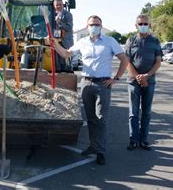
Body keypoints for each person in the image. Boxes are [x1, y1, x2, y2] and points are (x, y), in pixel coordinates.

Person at [51, 15, 128, 165]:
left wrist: (116, 78)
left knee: (101, 119)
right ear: (87, 27)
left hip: (102, 85)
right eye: (91, 24)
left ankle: (101, 151)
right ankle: (93, 146)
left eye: (97, 24)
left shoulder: (109, 41)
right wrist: (54, 44)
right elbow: (66, 54)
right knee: (91, 118)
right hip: (86, 83)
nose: (94, 27)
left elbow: (124, 60)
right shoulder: (83, 42)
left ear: (101, 25)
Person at [125, 14, 162, 151]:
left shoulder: (155, 41)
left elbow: (158, 62)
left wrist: (147, 76)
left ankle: (143, 139)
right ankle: (133, 139)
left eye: (145, 24)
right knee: (133, 113)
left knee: (146, 112)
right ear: (136, 26)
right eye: (140, 24)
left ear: (150, 25)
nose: (143, 26)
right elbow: (127, 61)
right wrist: (138, 78)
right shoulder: (131, 40)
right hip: (133, 82)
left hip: (150, 81)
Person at [53, 0, 74, 72]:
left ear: (63, 5)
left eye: (60, 4)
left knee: (65, 65)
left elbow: (69, 28)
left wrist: (59, 22)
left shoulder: (68, 15)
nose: (58, 6)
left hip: (65, 42)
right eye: (57, 5)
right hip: (55, 42)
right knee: (56, 63)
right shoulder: (51, 15)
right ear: (54, 6)